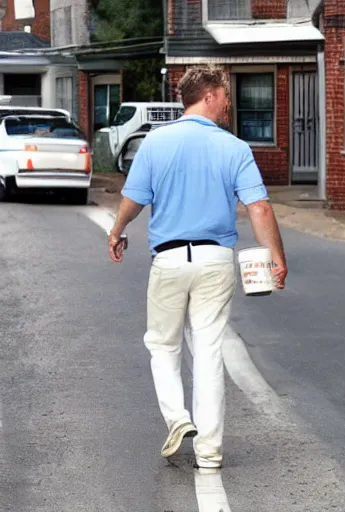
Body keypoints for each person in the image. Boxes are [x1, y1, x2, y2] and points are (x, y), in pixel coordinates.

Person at [107, 65, 287, 469]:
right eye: (225, 96)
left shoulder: (156, 143)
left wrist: (117, 230)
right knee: (207, 351)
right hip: (215, 258)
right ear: (208, 96)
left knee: (163, 344)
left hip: (169, 258)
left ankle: (177, 418)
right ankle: (209, 452)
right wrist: (276, 255)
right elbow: (257, 206)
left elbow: (135, 198)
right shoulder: (235, 148)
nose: (228, 105)